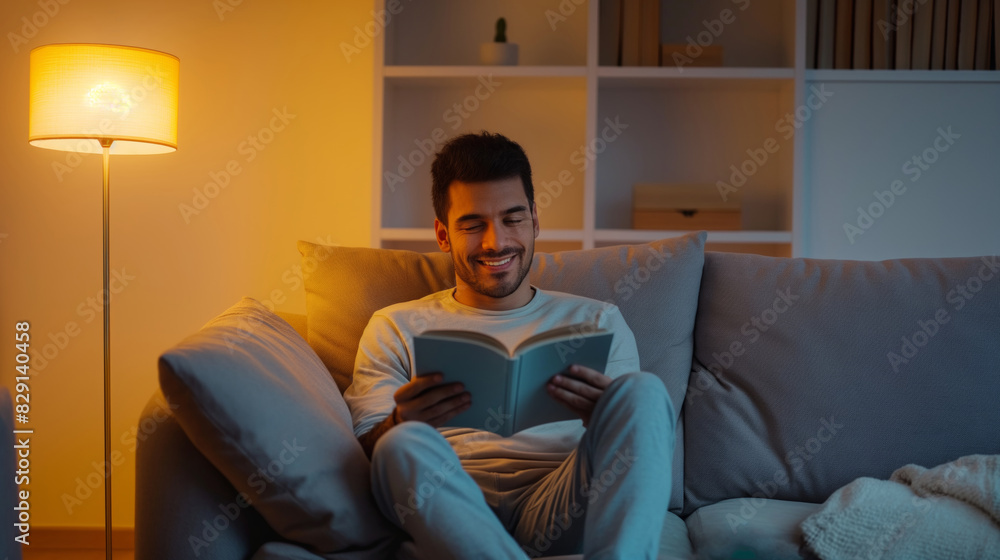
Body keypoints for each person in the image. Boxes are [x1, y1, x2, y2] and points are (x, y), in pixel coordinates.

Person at [344, 131, 675, 559]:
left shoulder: (597, 320)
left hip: (562, 499)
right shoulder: (395, 325)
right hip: (450, 503)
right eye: (472, 224)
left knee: (643, 394)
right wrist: (400, 422)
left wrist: (606, 418)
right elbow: (366, 452)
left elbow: (636, 449)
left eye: (512, 218)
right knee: (398, 444)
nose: (495, 242)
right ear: (443, 235)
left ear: (535, 220)